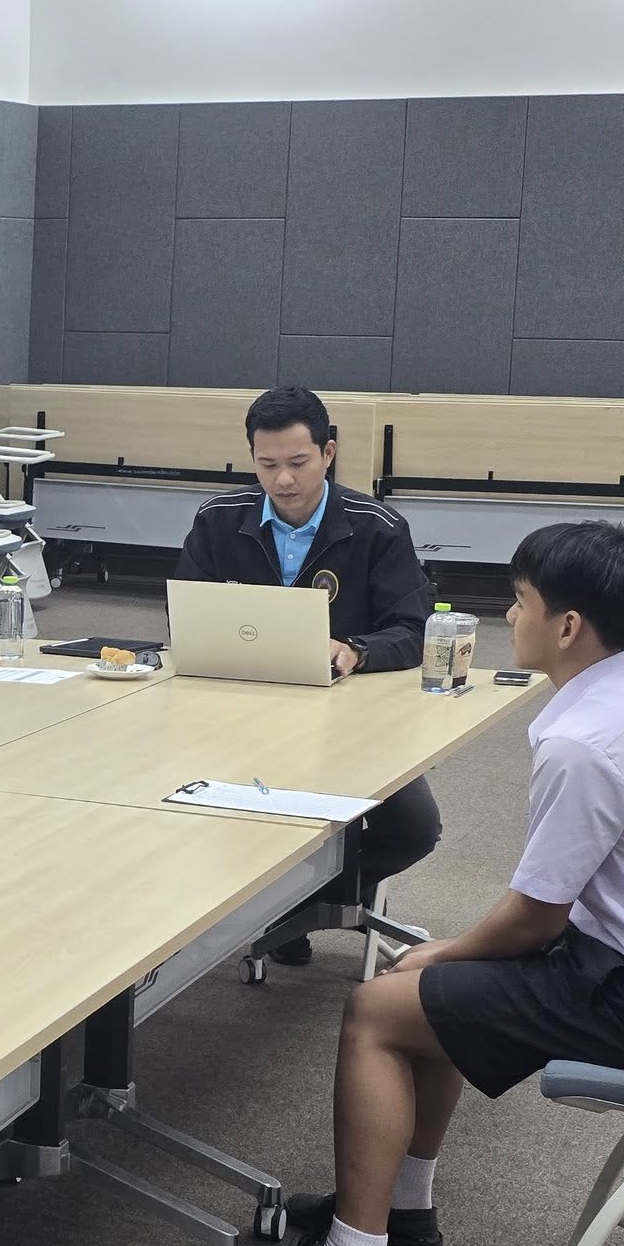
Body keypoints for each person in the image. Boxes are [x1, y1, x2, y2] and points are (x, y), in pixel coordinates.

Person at [240, 522, 624, 1246]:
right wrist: (454, 957)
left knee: (377, 1009)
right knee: (437, 991)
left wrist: (445, 952)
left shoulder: (586, 742)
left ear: (567, 626)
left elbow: (534, 920)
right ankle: (402, 1208)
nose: (508, 617)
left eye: (519, 602)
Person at [174, 384, 441, 967]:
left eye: (298, 462)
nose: (283, 480)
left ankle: (295, 907)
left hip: (349, 718)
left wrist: (356, 650)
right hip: (238, 712)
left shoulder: (376, 527)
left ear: (328, 452)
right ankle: (278, 911)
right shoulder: (219, 520)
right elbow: (185, 614)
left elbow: (414, 629)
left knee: (414, 827)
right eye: (267, 464)